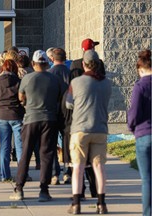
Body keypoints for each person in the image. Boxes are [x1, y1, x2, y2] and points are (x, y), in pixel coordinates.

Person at [9, 50, 62, 202]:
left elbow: (20, 97)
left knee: (25, 154)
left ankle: (19, 188)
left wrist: (27, 103)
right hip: (49, 120)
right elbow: (59, 97)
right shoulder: (54, 79)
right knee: (46, 155)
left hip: (31, 119)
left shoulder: (27, 78)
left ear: (33, 63)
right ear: (47, 63)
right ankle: (44, 191)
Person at [66, 50, 111, 214]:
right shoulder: (107, 83)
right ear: (98, 64)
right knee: (99, 167)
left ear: (84, 64)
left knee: (78, 167)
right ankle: (101, 203)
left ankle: (76, 203)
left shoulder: (76, 82)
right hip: (100, 128)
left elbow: (68, 104)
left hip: (80, 129)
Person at [69, 39, 99, 198]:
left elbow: (69, 101)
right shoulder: (100, 65)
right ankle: (97, 193)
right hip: (96, 117)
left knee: (79, 161)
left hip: (79, 117)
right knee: (95, 161)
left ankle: (78, 195)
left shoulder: (74, 65)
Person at [0, 59, 25, 182]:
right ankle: (21, 174)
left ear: (2, 69)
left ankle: (5, 175)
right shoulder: (19, 81)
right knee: (19, 147)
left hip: (2, 116)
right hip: (16, 115)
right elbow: (24, 99)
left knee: (4, 146)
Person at [127, 50, 151, 216]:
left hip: (144, 134)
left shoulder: (140, 86)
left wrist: (131, 127)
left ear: (140, 69)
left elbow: (134, 113)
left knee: (147, 179)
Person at [47, 47, 70, 185]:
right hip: (68, 112)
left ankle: (54, 173)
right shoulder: (71, 73)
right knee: (67, 144)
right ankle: (68, 172)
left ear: (53, 59)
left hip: (52, 111)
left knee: (52, 143)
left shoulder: (49, 74)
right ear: (65, 58)